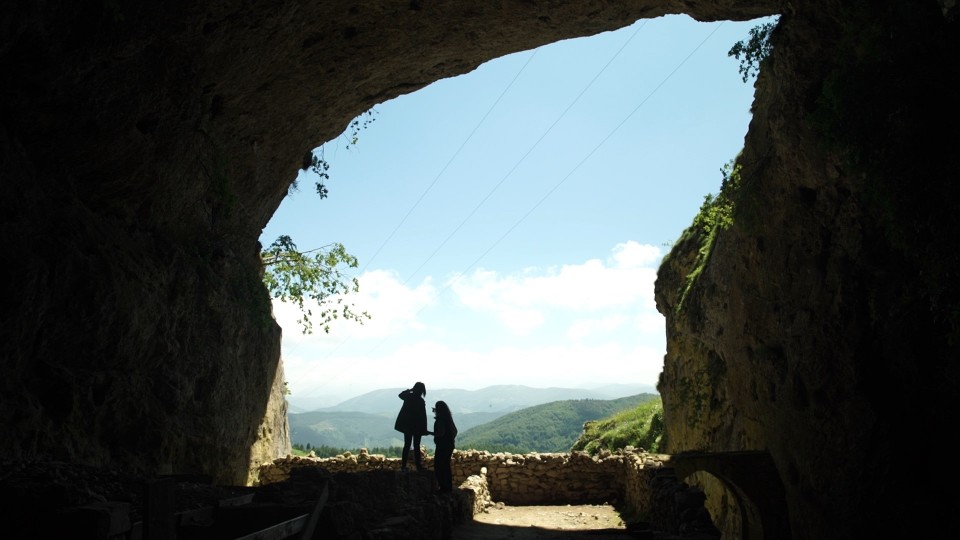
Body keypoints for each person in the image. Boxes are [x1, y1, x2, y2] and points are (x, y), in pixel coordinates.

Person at [394, 381, 428, 471]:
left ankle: (403, 466)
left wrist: (410, 390)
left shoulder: (408, 397)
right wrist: (424, 429)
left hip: (407, 426)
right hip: (417, 426)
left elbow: (400, 395)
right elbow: (423, 416)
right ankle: (418, 466)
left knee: (407, 445)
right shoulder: (420, 401)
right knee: (417, 446)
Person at [429, 400, 458, 493]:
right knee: (446, 466)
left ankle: (443, 487)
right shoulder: (448, 418)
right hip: (449, 445)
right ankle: (448, 487)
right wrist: (450, 439)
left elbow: (440, 433)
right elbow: (455, 431)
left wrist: (430, 433)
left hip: (442, 446)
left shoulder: (440, 420)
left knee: (439, 466)